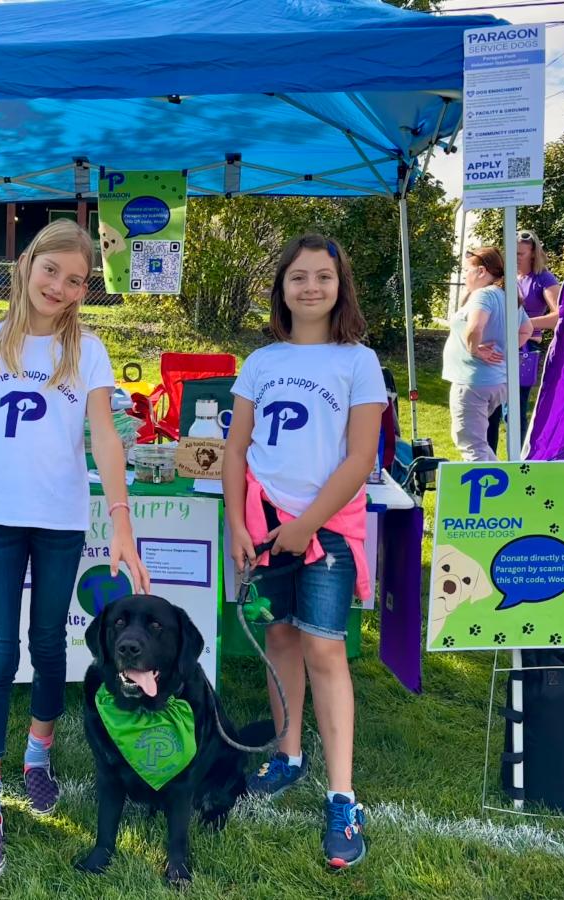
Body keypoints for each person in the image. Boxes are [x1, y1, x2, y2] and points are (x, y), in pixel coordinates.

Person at [0, 219, 151, 881]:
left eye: (75, 280)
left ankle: (37, 754)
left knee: (46, 648)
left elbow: (107, 437)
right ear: (28, 263)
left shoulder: (87, 351)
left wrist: (120, 519)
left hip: (61, 524)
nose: (60, 287)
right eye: (51, 271)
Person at [222, 233, 385, 869]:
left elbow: (360, 458)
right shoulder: (260, 360)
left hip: (327, 530)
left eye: (323, 276)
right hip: (262, 527)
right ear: (282, 288)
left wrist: (307, 523)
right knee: (280, 639)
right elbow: (236, 449)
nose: (311, 287)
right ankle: (287, 755)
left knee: (324, 646)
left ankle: (342, 795)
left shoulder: (358, 361)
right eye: (298, 277)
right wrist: (239, 523)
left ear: (340, 286)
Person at [443, 247, 532, 462]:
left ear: (481, 271)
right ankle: (501, 487)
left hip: (473, 382)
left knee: (472, 446)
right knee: (478, 443)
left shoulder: (483, 295)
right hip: (495, 381)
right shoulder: (508, 296)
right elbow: (526, 329)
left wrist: (475, 350)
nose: (464, 276)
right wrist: (505, 350)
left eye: (466, 270)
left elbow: (475, 327)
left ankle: (497, 493)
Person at [487, 231, 562, 451]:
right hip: (499, 346)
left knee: (516, 409)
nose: (515, 258)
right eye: (511, 253)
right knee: (492, 407)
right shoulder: (503, 278)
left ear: (533, 254)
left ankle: (516, 460)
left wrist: (524, 324)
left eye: (520, 253)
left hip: (524, 350)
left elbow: (560, 316)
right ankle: (487, 459)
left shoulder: (543, 279)